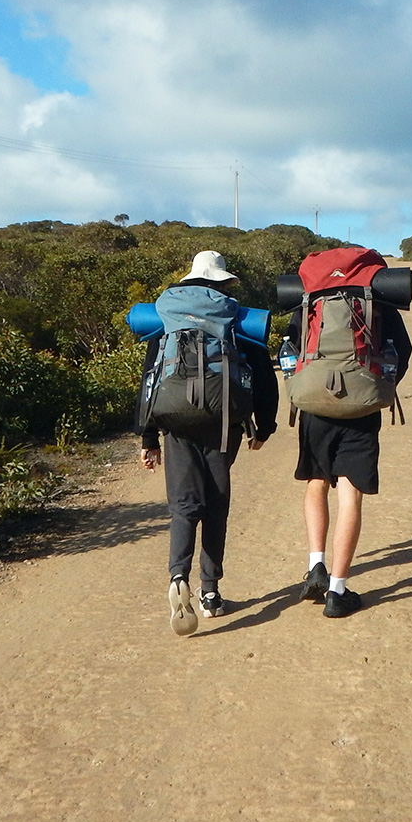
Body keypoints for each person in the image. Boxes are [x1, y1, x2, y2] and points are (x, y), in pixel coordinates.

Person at [140, 250, 278, 635]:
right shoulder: (235, 315)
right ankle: (211, 592)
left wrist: (148, 436)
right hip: (222, 422)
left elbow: (151, 377)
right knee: (216, 505)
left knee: (184, 505)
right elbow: (263, 375)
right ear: (222, 281)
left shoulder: (167, 313)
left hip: (175, 422)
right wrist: (264, 427)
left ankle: (177, 577)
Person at [288, 252, 412, 619]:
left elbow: (293, 343)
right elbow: (403, 350)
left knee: (316, 483)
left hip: (315, 405)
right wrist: (379, 386)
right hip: (361, 409)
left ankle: (316, 565)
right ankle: (337, 590)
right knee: (350, 495)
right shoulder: (376, 297)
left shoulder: (314, 297)